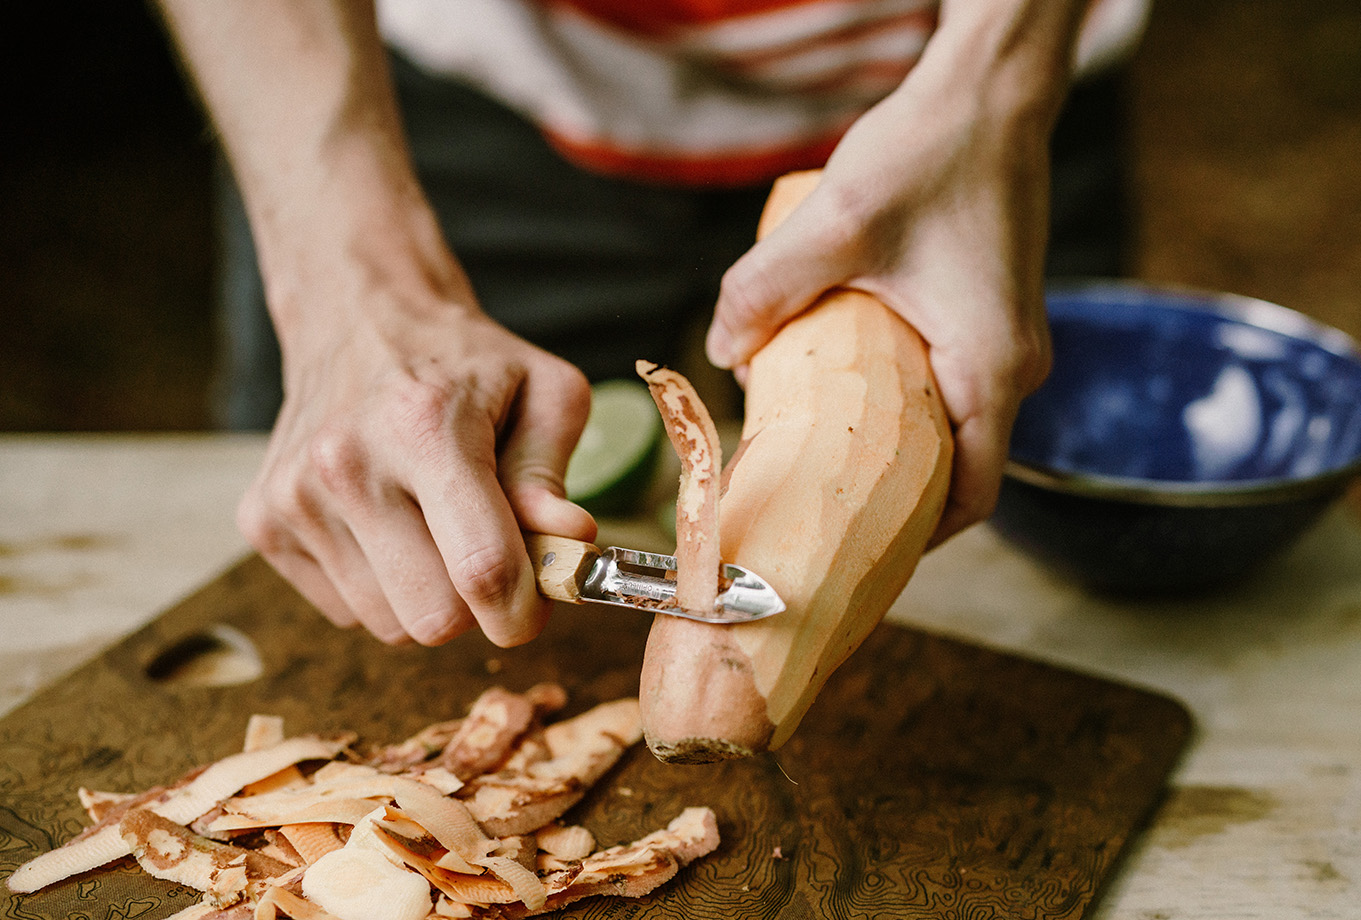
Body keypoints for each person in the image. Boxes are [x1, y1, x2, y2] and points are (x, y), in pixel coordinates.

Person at [155, 0, 1140, 649]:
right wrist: (350, 278)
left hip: (980, 77)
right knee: (385, 531)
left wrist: (996, 86)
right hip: (439, 91)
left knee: (1024, 578)